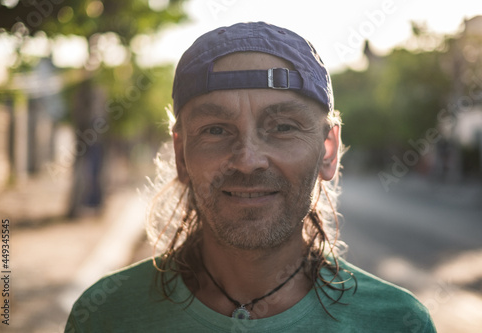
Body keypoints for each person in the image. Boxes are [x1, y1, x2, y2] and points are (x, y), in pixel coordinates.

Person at [65, 22, 436, 332]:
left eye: (283, 127)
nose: (248, 161)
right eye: (215, 130)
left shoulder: (396, 323)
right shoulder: (104, 317)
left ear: (328, 151)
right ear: (181, 154)